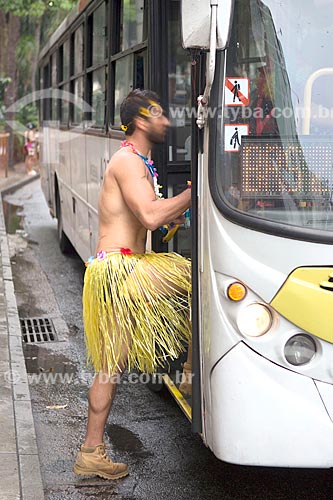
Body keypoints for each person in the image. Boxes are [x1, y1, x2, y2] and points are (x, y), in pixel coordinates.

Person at [73, 89, 192, 480]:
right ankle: (194, 373)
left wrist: (172, 213)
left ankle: (91, 452)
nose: (166, 121)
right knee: (197, 279)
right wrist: (195, 193)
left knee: (110, 366)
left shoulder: (139, 161)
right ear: (141, 121)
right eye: (158, 114)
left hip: (116, 270)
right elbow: (151, 216)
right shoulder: (128, 162)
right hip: (121, 270)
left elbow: (146, 218)